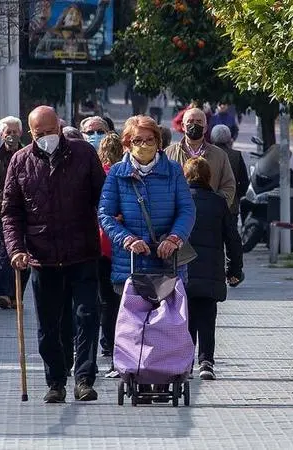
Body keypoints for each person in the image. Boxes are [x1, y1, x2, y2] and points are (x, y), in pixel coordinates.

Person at [2, 106, 106, 403]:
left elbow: (103, 197)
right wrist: (16, 249)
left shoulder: (84, 155)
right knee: (50, 325)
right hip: (42, 258)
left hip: (83, 252)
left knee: (87, 316)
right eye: (39, 133)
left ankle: (84, 379)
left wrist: (110, 224)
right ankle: (56, 381)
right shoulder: (20, 162)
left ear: (60, 128)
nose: (46, 137)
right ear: (30, 133)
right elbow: (11, 212)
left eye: (50, 132)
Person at [98, 115, 195, 401]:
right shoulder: (117, 173)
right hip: (131, 262)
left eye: (148, 140)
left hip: (167, 263)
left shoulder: (173, 171)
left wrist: (174, 238)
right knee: (134, 322)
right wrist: (126, 239)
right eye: (136, 141)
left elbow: (186, 211)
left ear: (158, 141)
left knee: (168, 322)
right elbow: (105, 214)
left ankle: (165, 372)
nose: (143, 145)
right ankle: (136, 368)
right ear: (127, 143)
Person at [183, 157, 242, 381]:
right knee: (207, 317)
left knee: (184, 317)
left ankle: (185, 362)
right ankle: (206, 362)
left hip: (183, 271)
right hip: (211, 271)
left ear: (185, 176)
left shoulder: (180, 201)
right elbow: (233, 239)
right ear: (209, 177)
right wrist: (234, 269)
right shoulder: (218, 202)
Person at [0, 116, 31, 309]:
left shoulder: (28, 155)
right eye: (7, 132)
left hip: (25, 214)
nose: (11, 136)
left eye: (14, 132)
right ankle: (4, 294)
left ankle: (17, 295)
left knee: (24, 254)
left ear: (20, 133)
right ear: (2, 135)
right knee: (5, 252)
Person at [164, 108, 236, 207]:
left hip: (209, 217)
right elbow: (161, 185)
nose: (194, 125)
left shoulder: (219, 155)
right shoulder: (168, 154)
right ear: (183, 126)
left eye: (199, 122)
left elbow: (228, 186)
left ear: (205, 127)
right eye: (190, 121)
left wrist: (216, 206)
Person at [95, 133, 124, 375]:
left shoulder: (98, 175)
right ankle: (114, 342)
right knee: (118, 299)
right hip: (121, 247)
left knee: (103, 299)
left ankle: (106, 342)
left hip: (100, 245)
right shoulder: (123, 176)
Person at [210, 125, 247, 287]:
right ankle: (233, 271)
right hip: (231, 205)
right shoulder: (236, 156)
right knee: (232, 239)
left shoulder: (207, 155)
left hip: (210, 205)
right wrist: (237, 196)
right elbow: (244, 181)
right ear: (229, 138)